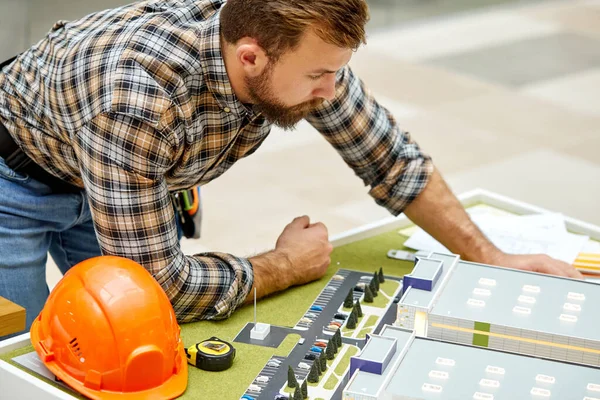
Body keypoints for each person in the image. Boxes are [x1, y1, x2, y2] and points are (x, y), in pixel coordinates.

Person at [0, 0, 581, 338]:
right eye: (317, 76)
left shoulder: (299, 56)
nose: (330, 91)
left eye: (336, 72)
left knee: (129, 338)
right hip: (13, 179)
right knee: (25, 349)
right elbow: (164, 285)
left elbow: (390, 159)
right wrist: (283, 266)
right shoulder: (138, 96)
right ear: (249, 55)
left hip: (110, 171)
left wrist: (490, 256)